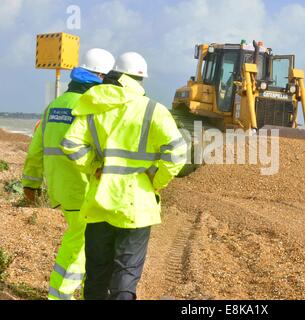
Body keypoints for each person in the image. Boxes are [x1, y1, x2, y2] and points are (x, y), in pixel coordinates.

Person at [60, 52, 187, 300]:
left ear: (115, 75)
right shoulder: (153, 109)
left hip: (99, 201)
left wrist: (93, 166)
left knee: (96, 272)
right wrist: (156, 181)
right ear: (141, 79)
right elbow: (177, 153)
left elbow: (71, 144)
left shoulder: (93, 105)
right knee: (125, 276)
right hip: (136, 206)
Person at [21, 48, 116, 300]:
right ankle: (60, 295)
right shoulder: (91, 106)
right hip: (82, 187)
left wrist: (31, 185)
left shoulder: (54, 106)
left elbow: (35, 150)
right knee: (80, 245)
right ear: (100, 77)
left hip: (59, 187)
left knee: (82, 240)